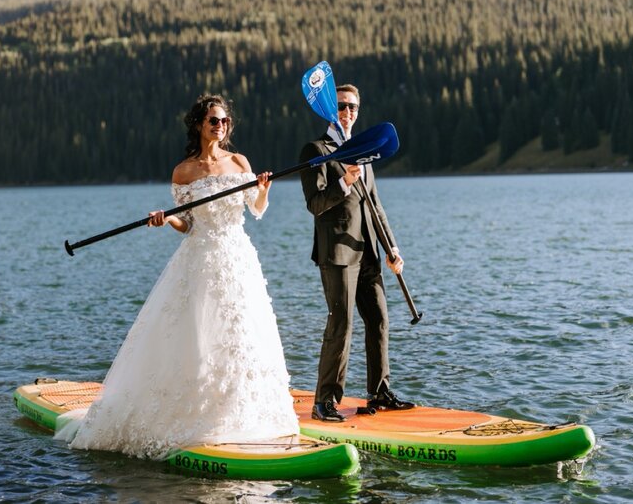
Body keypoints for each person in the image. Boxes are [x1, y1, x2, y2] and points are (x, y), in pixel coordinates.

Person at [57, 94, 299, 457]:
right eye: (213, 121)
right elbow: (187, 224)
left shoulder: (239, 162)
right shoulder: (184, 171)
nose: (220, 126)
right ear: (200, 125)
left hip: (238, 261)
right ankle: (195, 421)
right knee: (198, 339)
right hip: (200, 258)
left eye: (225, 121)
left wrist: (263, 190)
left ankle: (242, 417)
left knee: (241, 336)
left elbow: (257, 209)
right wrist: (166, 217)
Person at [299, 84, 415, 422]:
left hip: (368, 252)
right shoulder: (315, 149)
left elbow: (375, 206)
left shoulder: (364, 151)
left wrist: (391, 247)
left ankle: (380, 391)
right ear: (330, 109)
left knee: (379, 318)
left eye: (353, 107)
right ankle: (324, 402)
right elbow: (315, 204)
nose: (347, 113)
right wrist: (345, 181)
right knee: (342, 324)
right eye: (341, 106)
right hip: (336, 252)